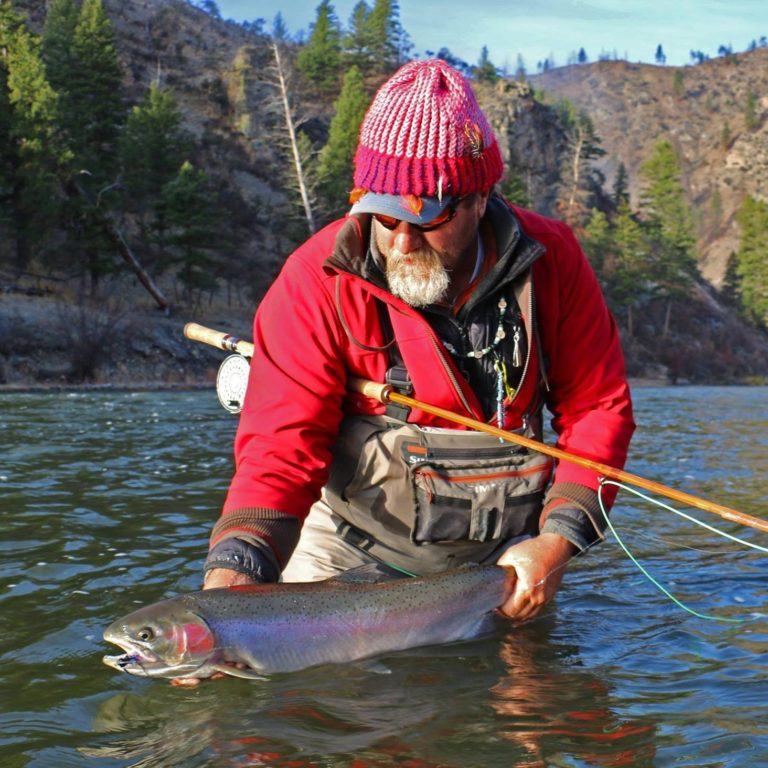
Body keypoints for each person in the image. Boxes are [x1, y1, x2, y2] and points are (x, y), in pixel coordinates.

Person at [203, 58, 635, 621]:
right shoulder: (316, 278)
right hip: (348, 551)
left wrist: (559, 541)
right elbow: (279, 451)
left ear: (480, 199)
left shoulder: (552, 259)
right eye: (384, 217)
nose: (403, 243)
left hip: (504, 565)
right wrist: (231, 574)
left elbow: (597, 408)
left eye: (427, 219)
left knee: (532, 704)